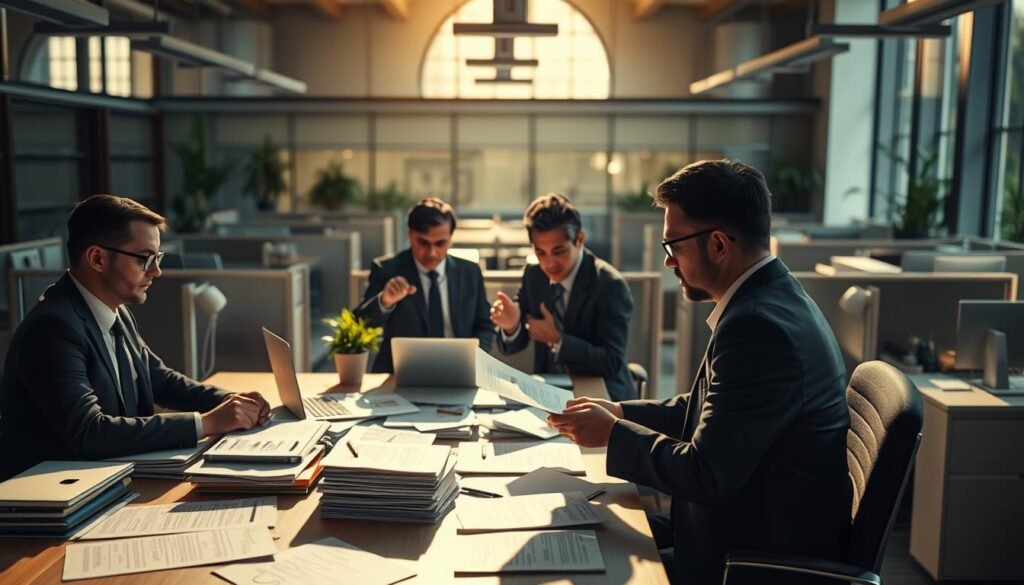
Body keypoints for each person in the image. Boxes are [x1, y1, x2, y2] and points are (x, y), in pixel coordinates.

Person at [547, 160, 852, 585]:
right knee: (580, 533)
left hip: (748, 560)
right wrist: (618, 411)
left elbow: (706, 474)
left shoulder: (758, 328)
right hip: (738, 528)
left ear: (719, 245)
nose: (669, 262)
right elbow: (708, 409)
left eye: (673, 245)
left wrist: (612, 435)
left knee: (578, 564)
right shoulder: (770, 299)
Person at [0, 195, 271, 480]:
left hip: (108, 480)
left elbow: (160, 380)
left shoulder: (113, 311)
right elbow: (90, 432)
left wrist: (232, 401)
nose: (157, 271)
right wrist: (205, 423)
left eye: (157, 258)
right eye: (145, 259)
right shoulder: (54, 327)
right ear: (97, 258)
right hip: (54, 503)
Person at [490, 193, 635, 401]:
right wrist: (511, 326)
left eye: (558, 252)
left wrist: (557, 340)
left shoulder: (610, 285)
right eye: (541, 253)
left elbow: (611, 362)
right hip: (548, 392)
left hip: (601, 394)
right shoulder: (534, 275)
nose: (549, 263)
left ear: (580, 240)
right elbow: (515, 344)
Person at [354, 197, 494, 372]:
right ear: (410, 234)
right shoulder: (387, 270)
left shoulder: (470, 272)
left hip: (458, 370)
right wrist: (385, 301)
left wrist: (475, 360)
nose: (432, 252)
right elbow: (358, 326)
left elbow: (485, 326)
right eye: (423, 242)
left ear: (451, 238)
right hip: (399, 375)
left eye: (440, 243)